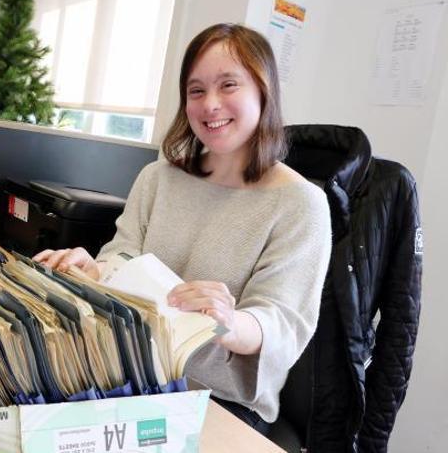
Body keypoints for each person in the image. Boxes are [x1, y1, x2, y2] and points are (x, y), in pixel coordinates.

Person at [33, 23, 331, 434]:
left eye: (228, 85)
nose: (210, 104)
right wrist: (96, 272)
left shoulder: (300, 203)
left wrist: (227, 320)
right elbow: (124, 253)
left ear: (263, 92)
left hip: (214, 399)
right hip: (128, 375)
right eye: (196, 91)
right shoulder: (159, 178)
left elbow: (281, 324)